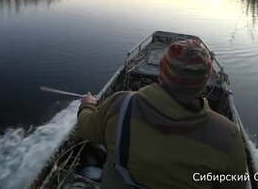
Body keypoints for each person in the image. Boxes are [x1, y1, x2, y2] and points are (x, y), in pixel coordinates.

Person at [77, 39, 247, 189]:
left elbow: (87, 129)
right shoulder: (229, 136)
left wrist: (87, 106)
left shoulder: (120, 104)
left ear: (161, 71)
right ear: (204, 82)